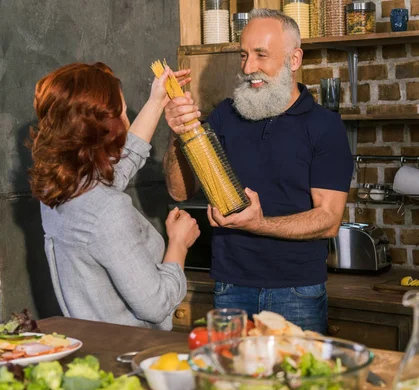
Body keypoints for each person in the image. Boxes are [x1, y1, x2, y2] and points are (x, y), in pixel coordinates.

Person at [162, 9, 354, 333]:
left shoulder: (325, 126)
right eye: (244, 55)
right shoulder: (226, 115)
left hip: (296, 293)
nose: (248, 68)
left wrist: (258, 223)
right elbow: (180, 192)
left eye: (260, 55)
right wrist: (177, 134)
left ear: (294, 60)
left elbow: (328, 220)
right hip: (229, 286)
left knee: (295, 381)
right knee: (232, 381)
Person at [28, 62, 200, 330]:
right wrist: (179, 242)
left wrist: (156, 102)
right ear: (107, 126)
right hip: (128, 356)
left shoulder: (54, 188)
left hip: (92, 345)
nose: (126, 117)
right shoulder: (108, 210)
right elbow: (156, 305)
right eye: (121, 109)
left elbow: (115, 173)